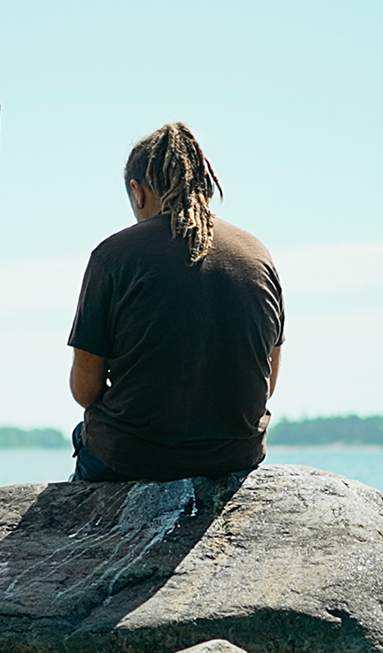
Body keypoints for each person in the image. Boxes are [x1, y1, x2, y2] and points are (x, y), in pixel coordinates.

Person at [66, 122, 284, 482]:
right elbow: (268, 383)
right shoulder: (257, 254)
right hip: (235, 456)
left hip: (131, 457)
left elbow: (85, 390)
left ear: (138, 192)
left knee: (85, 436)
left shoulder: (113, 255)